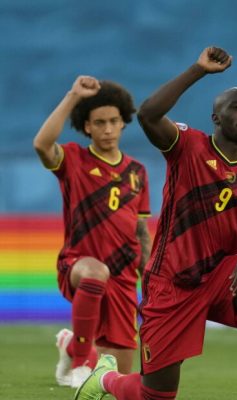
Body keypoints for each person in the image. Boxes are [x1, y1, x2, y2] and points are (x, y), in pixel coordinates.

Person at [74, 47, 237, 400]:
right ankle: (103, 380)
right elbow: (148, 113)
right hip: (172, 284)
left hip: (220, 278)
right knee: (157, 395)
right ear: (216, 118)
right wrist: (198, 70)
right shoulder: (189, 147)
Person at [32, 76, 152, 388]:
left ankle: (72, 346)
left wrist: (151, 275)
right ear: (87, 126)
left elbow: (140, 231)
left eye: (114, 121)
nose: (108, 129)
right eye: (99, 123)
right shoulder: (73, 159)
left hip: (124, 279)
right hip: (78, 265)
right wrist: (73, 95)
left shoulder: (137, 172)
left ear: (124, 123)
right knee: (95, 271)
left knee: (119, 378)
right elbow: (42, 144)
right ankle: (80, 364)